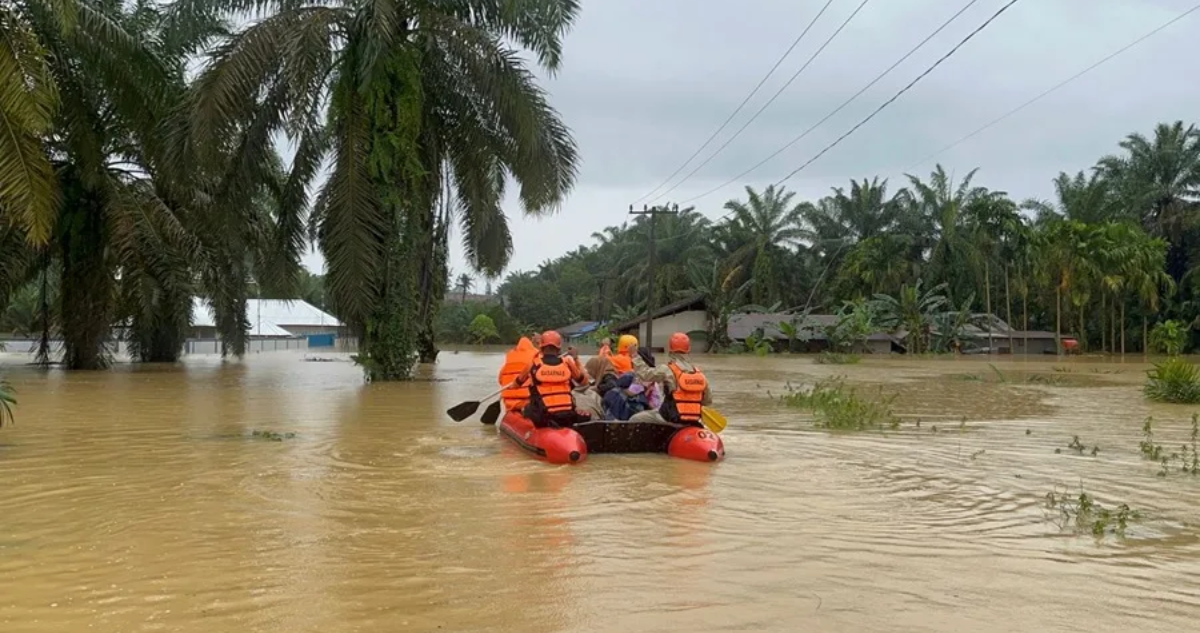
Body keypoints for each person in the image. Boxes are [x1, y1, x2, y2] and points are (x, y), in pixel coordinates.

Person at [629, 332, 712, 427]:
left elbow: (644, 374)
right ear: (688, 350)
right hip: (693, 420)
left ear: (670, 350)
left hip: (671, 417)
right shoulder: (699, 374)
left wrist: (635, 356)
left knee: (635, 419)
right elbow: (707, 401)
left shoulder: (667, 369)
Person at [518, 331, 591, 428]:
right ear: (559, 348)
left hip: (543, 416)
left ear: (541, 348)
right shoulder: (568, 363)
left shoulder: (533, 363)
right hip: (568, 415)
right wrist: (576, 359)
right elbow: (584, 382)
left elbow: (516, 384)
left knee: (526, 408)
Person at [497, 335, 539, 412]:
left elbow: (500, 380)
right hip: (527, 401)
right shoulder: (535, 358)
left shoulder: (508, 363)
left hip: (508, 402)